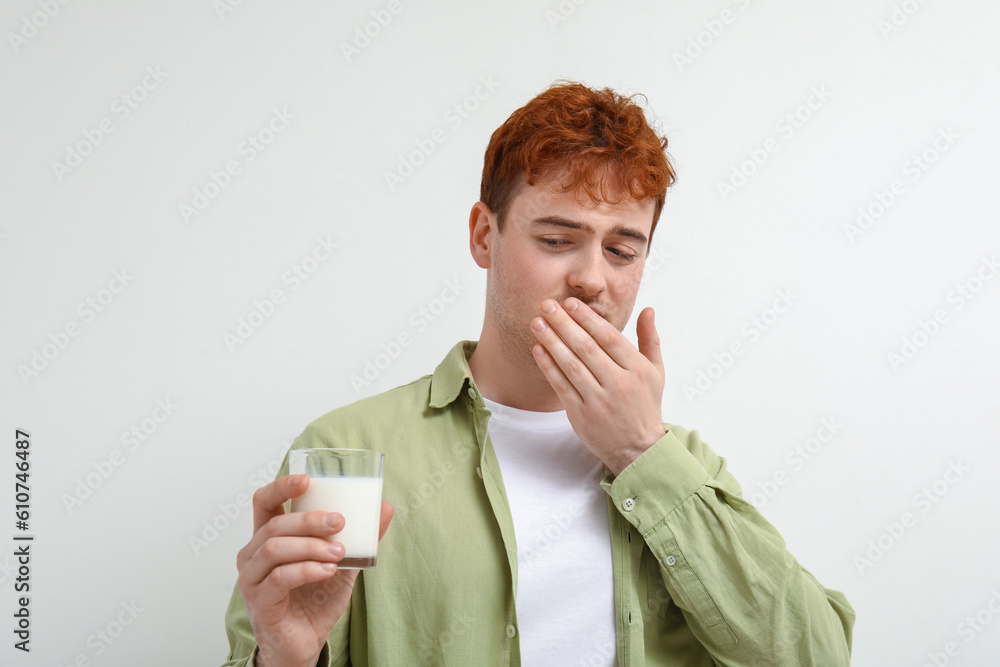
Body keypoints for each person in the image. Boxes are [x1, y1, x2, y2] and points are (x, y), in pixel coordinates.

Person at [221, 81, 855, 667]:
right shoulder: (351, 452)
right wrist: (283, 660)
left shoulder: (682, 464)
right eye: (557, 239)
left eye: (622, 249)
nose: (591, 278)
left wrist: (642, 452)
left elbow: (815, 657)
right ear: (483, 236)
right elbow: (284, 639)